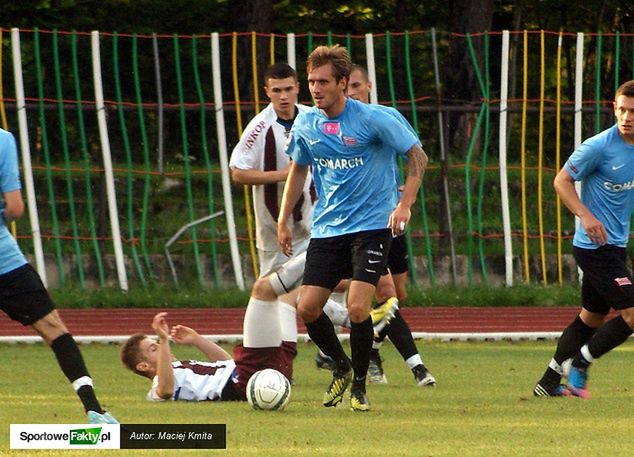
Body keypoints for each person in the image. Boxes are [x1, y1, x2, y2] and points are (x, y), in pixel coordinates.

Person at [278, 45, 428, 412]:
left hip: (373, 226)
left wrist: (404, 204)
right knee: (307, 307)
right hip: (328, 229)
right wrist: (284, 218)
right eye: (311, 81)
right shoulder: (306, 122)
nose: (315, 88)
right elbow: (299, 168)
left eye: (323, 81)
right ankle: (341, 367)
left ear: (343, 83)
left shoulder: (376, 118)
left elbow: (418, 156)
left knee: (359, 308)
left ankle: (360, 387)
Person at [0, 127, 117, 424]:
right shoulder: (2, 140)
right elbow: (14, 208)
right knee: (54, 329)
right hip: (4, 262)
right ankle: (93, 410)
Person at [533, 80, 634, 399]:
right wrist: (586, 216)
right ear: (613, 108)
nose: (627, 117)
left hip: (615, 245)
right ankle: (581, 363)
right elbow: (561, 181)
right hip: (593, 248)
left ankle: (548, 381)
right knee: (632, 314)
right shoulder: (599, 147)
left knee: (591, 317)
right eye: (622, 109)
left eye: (633, 111)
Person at [345, 64, 436, 387]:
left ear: (368, 85)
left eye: (357, 85)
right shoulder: (336, 125)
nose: (352, 91)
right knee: (381, 293)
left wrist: (405, 196)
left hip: (392, 218)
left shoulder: (385, 118)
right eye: (348, 86)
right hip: (362, 226)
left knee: (397, 296)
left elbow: (415, 157)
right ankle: (417, 367)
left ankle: (368, 348)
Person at [230, 62, 314, 329]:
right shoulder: (259, 127)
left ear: (298, 88)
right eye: (276, 90)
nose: (283, 96)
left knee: (326, 278)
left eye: (288, 89)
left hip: (314, 219)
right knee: (270, 293)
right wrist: (282, 175)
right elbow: (238, 172)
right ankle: (261, 346)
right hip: (274, 227)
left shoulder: (313, 118)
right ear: (267, 91)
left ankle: (330, 345)